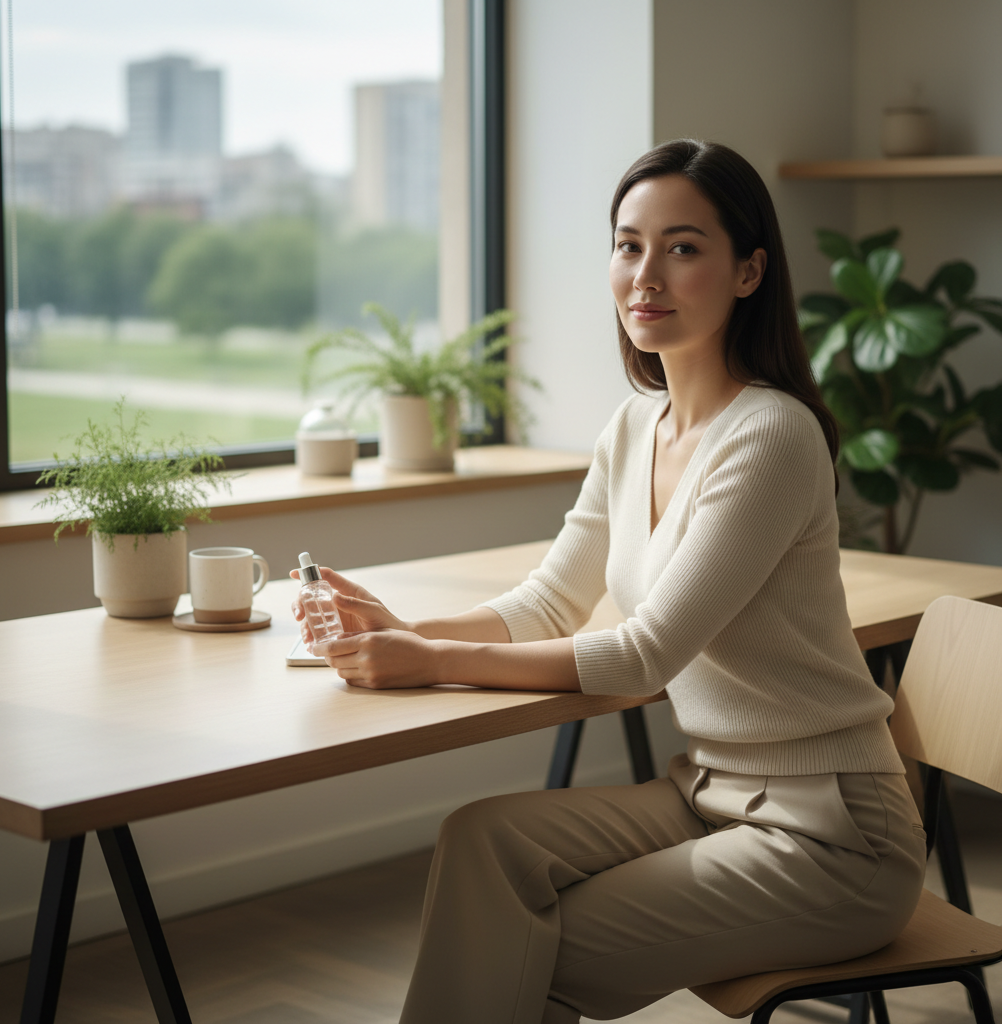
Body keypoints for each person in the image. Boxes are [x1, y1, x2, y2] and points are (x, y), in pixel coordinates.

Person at [291, 139, 926, 1024]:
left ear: (748, 272)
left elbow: (643, 656)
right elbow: (547, 603)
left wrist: (426, 660)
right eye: (629, 246)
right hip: (709, 791)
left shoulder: (773, 437)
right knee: (482, 842)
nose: (646, 276)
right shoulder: (635, 426)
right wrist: (409, 629)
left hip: (833, 833)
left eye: (683, 247)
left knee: (529, 939)